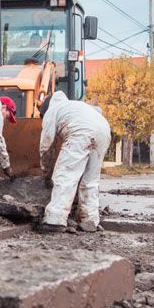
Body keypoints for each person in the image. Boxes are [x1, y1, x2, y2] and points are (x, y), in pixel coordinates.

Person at [37, 91, 111, 233]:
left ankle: (55, 219)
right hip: (104, 129)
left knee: (66, 174)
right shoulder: (75, 106)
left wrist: (46, 173)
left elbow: (46, 147)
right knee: (90, 180)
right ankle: (90, 220)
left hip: (80, 132)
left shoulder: (52, 111)